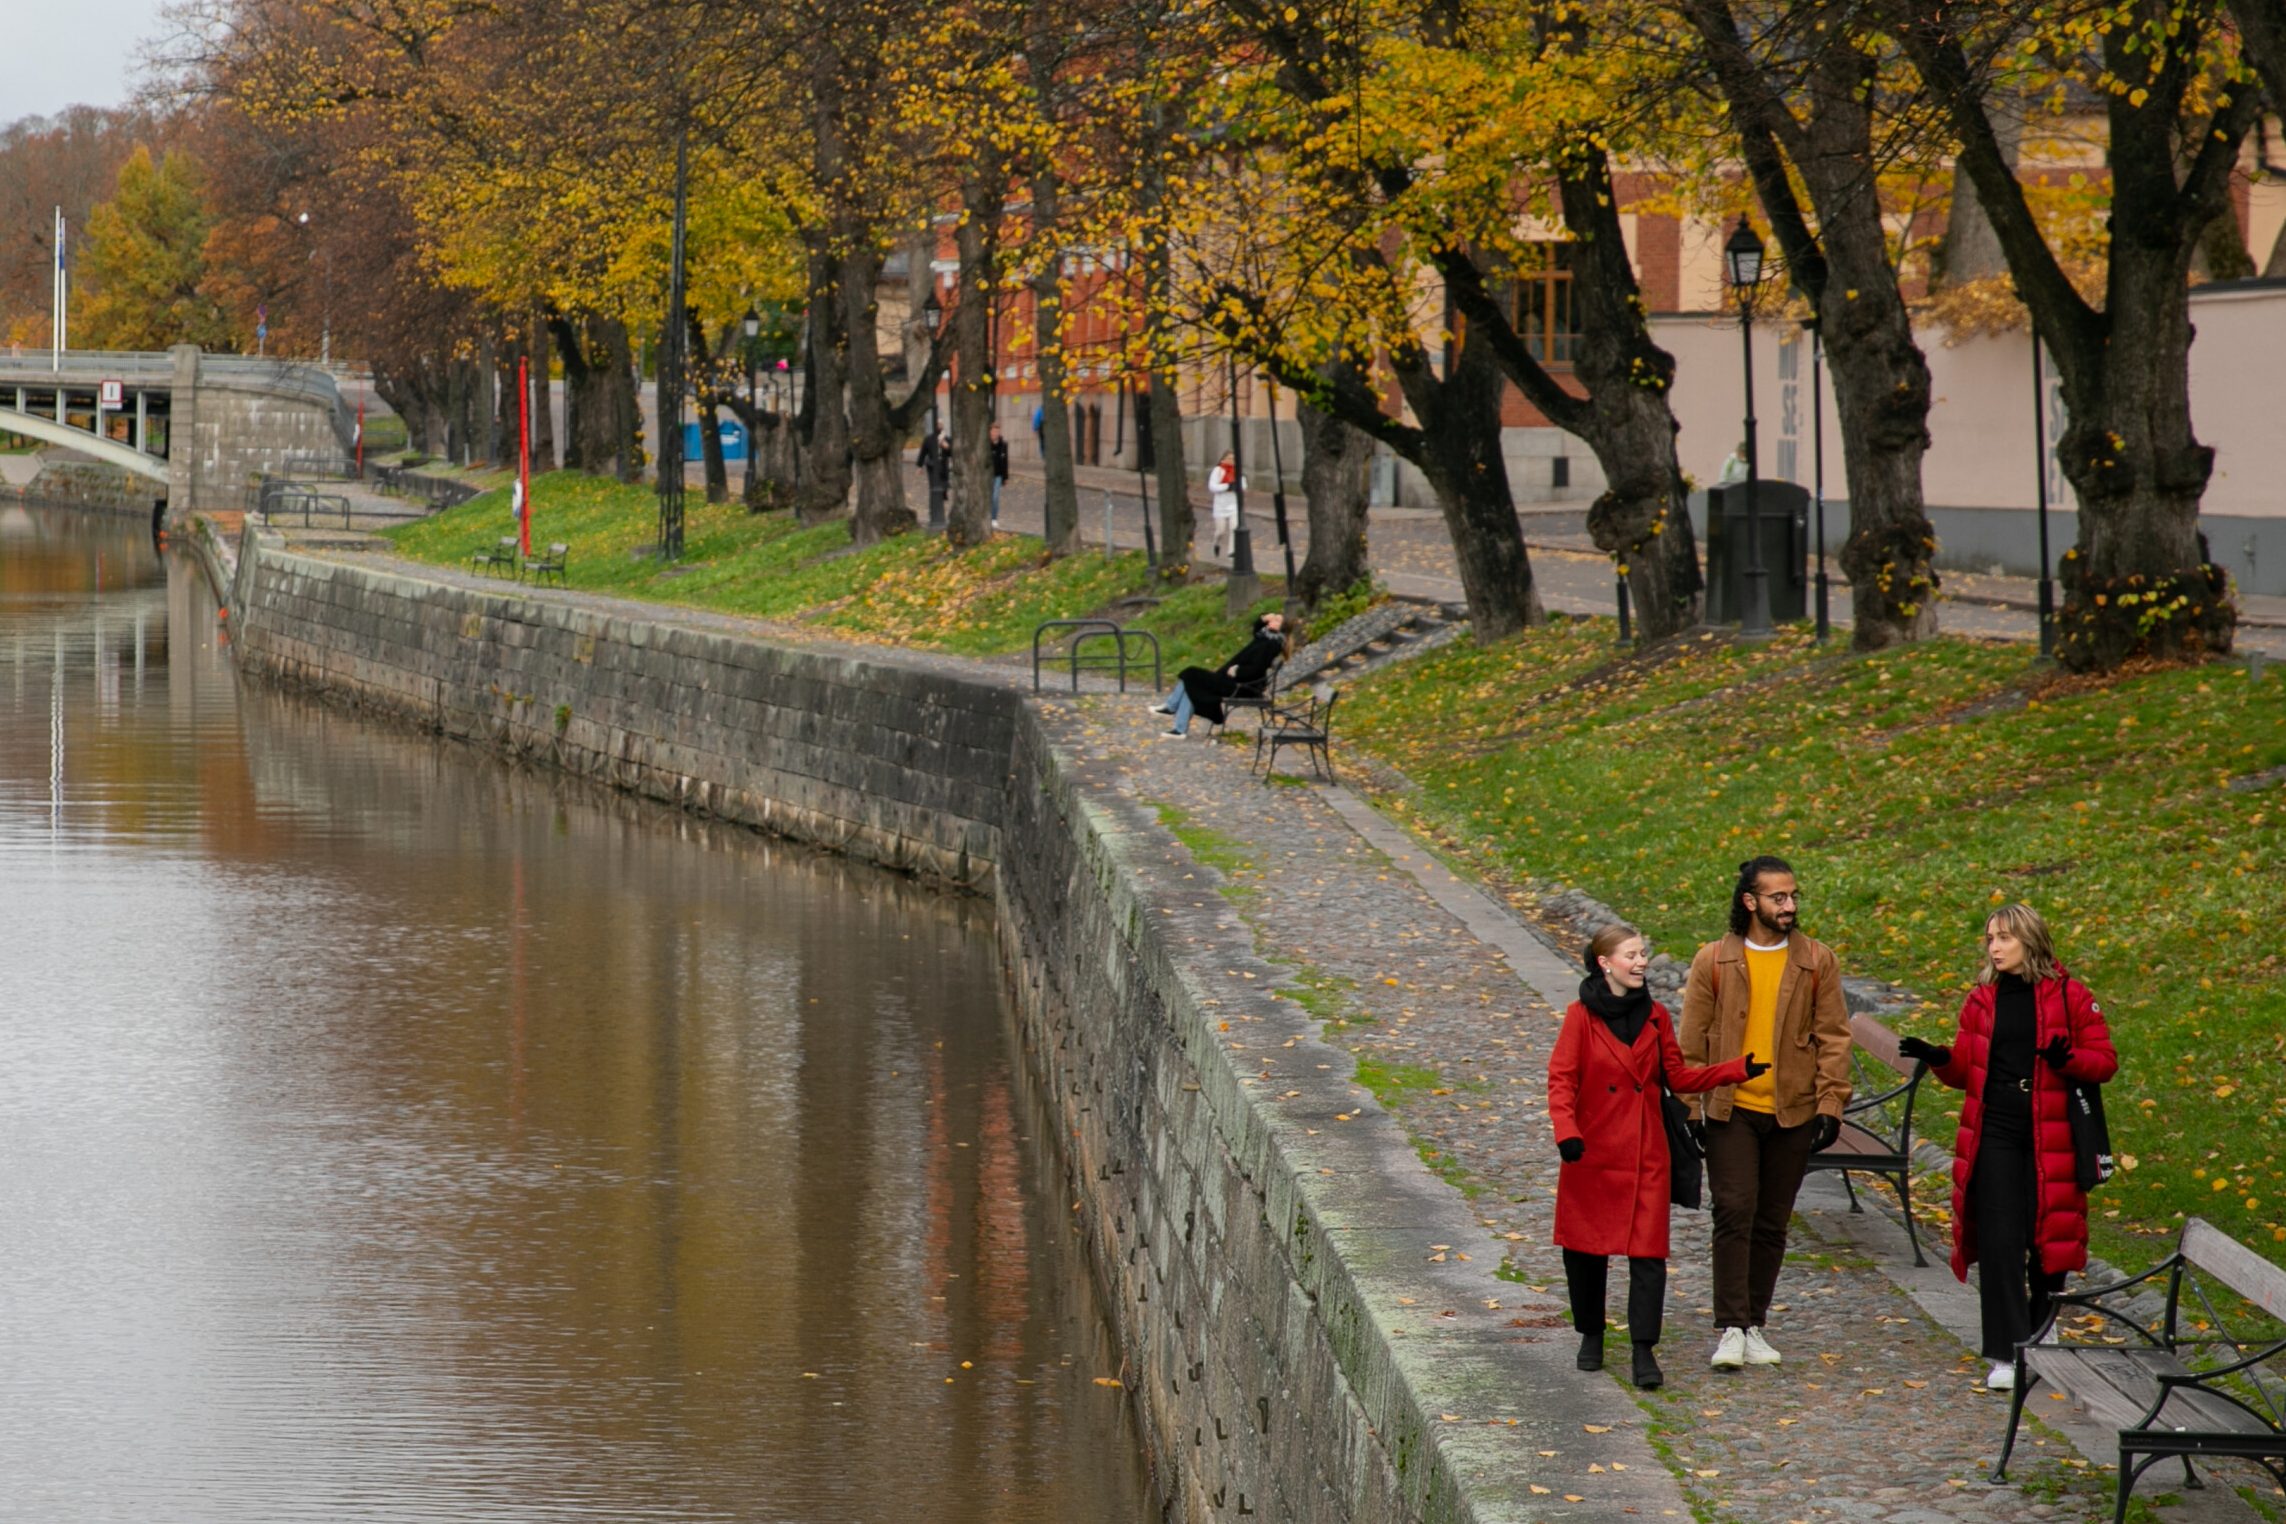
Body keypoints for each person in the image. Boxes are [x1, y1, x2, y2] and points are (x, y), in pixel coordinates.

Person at [1898, 903, 2118, 1391]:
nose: (1994, 947)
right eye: (1990, 938)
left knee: (2048, 1240)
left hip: (2051, 1136)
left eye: (2004, 938)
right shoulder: (1981, 1001)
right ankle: (2005, 1352)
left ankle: (2041, 1332)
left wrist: (2070, 1059)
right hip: (1994, 1132)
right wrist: (1938, 1058)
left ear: (2030, 940)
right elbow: (1964, 1073)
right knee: (1999, 1243)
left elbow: (2104, 1062)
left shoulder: (2072, 997)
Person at [1550, 923, 1764, 1391]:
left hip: (1646, 1153)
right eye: (1632, 954)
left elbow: (1678, 1077)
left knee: (1648, 1257)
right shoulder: (1578, 1017)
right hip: (1591, 1152)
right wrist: (1567, 1134)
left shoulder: (1656, 1016)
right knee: (1585, 1253)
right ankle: (1591, 1335)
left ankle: (1644, 1350)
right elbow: (1561, 1080)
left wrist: (1735, 1070)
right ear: (1606, 963)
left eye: (1643, 953)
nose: (1642, 961)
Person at [1680, 855, 1853, 1371]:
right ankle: (1731, 1326)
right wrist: (1690, 1107)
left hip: (1792, 1111)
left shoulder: (1816, 961)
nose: (1790, 906)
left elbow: (1834, 1037)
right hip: (1731, 1107)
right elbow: (1690, 1044)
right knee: (1733, 1209)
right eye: (1779, 897)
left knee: (1772, 1220)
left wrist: (1830, 1103)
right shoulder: (1713, 960)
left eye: (1793, 896)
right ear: (1749, 901)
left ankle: (1755, 1323)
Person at [1151, 612, 1284, 738]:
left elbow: (1256, 669)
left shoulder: (1271, 644)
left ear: (1282, 628)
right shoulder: (1264, 638)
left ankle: (1172, 708)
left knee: (1190, 673)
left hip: (1239, 687)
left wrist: (1238, 670)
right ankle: (1179, 729)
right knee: (1191, 682)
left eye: (1277, 620)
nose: (1272, 620)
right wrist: (1264, 617)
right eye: (1272, 618)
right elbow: (1257, 628)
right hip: (1230, 681)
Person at [1208, 451, 1242, 559]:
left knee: (1234, 528)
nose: (1231, 461)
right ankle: (1216, 543)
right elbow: (1212, 486)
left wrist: (1238, 487)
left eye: (1233, 459)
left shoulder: (1237, 471)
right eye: (1229, 458)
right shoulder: (1218, 470)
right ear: (1223, 459)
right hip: (1220, 506)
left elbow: (1244, 484)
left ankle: (1231, 552)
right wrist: (1226, 486)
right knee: (1221, 531)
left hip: (1233, 505)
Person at [917, 427, 952, 528]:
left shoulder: (947, 439)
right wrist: (920, 465)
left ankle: (940, 508)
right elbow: (923, 452)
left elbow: (952, 452)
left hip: (943, 468)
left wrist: (947, 447)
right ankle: (934, 513)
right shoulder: (929, 439)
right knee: (934, 490)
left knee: (943, 488)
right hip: (932, 467)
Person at [988, 422, 1010, 526]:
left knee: (995, 497)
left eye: (997, 431)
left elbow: (1005, 461)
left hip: (998, 475)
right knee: (988, 497)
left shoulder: (1003, 445)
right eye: (993, 431)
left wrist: (1005, 477)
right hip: (987, 475)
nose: (995, 433)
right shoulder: (986, 444)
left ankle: (994, 518)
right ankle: (986, 516)